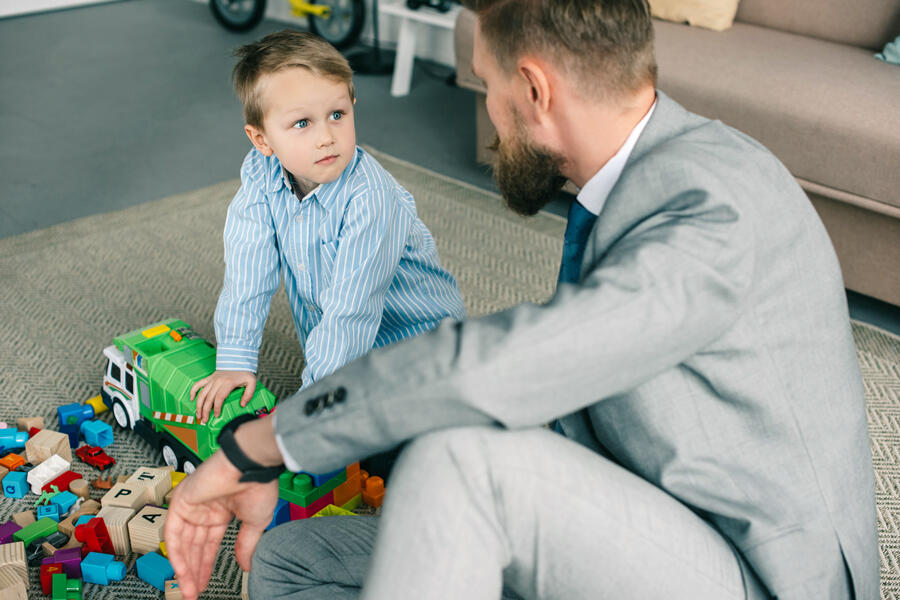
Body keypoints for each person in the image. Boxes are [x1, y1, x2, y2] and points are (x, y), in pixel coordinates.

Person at [164, 1, 880, 598]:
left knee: (461, 461)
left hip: (749, 571)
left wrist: (263, 444)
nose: (489, 110)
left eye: (487, 85)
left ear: (533, 89)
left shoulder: (711, 207)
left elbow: (517, 360)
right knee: (288, 564)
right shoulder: (632, 180)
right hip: (624, 503)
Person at [190, 30, 466, 424]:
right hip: (343, 346)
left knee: (399, 440)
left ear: (352, 105)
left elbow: (351, 314)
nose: (326, 138)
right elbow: (247, 269)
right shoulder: (260, 173)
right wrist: (235, 358)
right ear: (262, 140)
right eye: (302, 123)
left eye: (337, 115)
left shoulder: (371, 199)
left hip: (418, 347)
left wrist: (307, 410)